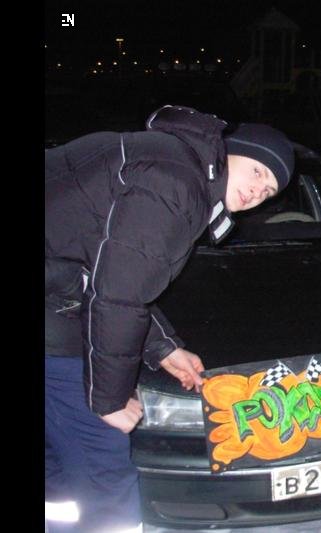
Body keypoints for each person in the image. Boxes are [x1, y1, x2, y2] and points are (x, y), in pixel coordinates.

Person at [45, 105, 295, 532]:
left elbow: (111, 270)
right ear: (229, 152)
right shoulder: (177, 184)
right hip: (56, 322)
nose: (258, 191)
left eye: (269, 191)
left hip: (56, 299)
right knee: (102, 465)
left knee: (61, 461)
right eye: (257, 171)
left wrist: (164, 348)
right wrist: (109, 399)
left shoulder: (173, 166)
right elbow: (118, 294)